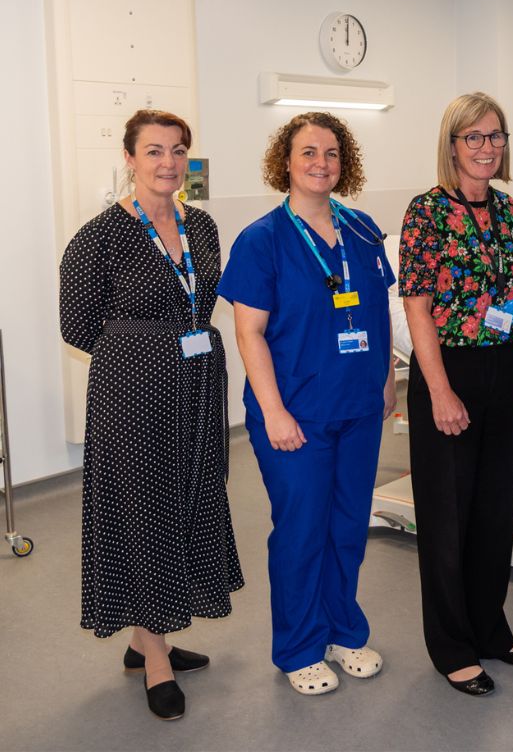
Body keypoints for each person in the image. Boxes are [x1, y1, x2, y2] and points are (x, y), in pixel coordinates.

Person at [59, 109, 243, 720]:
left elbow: (205, 300)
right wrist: (144, 355)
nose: (169, 163)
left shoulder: (205, 227)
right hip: (131, 396)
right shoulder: (99, 236)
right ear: (130, 158)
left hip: (194, 387)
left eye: (178, 151)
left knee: (188, 501)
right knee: (144, 511)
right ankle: (157, 660)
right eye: (155, 151)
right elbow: (77, 326)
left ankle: (144, 639)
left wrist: (175, 350)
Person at [218, 112, 395, 696]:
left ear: (345, 164)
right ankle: (298, 647)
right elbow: (250, 334)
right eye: (308, 153)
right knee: (301, 530)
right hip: (295, 413)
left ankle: (344, 631)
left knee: (347, 527)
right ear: (285, 162)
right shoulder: (262, 240)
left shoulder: (365, 230)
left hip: (360, 405)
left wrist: (390, 379)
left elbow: (376, 315)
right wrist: (272, 411)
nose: (321, 163)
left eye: (332, 153)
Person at [398, 92, 513, 697]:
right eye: (474, 138)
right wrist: (438, 389)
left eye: (496, 136)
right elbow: (417, 305)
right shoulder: (427, 211)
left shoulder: (506, 210)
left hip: (502, 368)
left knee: (492, 511)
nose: (487, 148)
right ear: (452, 145)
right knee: (447, 516)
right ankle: (452, 645)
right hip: (448, 371)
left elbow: (510, 293)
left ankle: (490, 628)